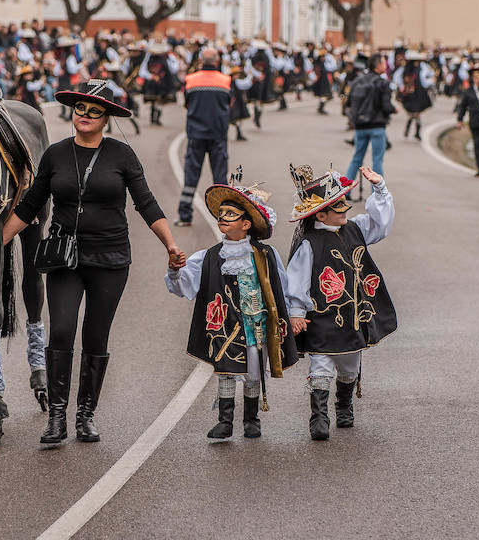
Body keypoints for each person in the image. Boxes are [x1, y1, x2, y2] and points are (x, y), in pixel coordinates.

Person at [1, 80, 185, 446]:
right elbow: (30, 205)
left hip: (110, 258)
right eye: (80, 109)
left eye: (94, 111)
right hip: (64, 258)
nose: (84, 116)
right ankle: (57, 418)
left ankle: (85, 415)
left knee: (95, 335)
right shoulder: (54, 154)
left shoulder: (122, 156)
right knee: (62, 331)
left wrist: (170, 244)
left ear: (106, 118)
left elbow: (145, 203)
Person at [165, 173, 298, 441]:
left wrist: (294, 314)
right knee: (225, 370)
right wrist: (176, 271)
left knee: (252, 370)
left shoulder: (265, 255)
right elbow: (184, 286)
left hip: (256, 323)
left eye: (230, 213)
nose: (222, 217)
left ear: (246, 223)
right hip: (225, 325)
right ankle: (225, 421)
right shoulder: (209, 256)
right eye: (221, 213)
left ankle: (251, 419)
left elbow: (282, 286)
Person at [285, 163, 397, 441]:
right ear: (321, 214)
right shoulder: (309, 242)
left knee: (348, 364)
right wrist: (296, 311)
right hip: (321, 315)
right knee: (321, 363)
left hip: (352, 314)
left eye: (346, 204)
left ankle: (344, 405)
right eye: (339, 207)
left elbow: (381, 226)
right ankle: (319, 415)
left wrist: (379, 187)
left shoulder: (355, 228)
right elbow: (296, 279)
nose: (346, 209)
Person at [175, 46, 232, 227]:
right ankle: (225, 217)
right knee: (220, 178)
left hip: (196, 134)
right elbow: (230, 104)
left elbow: (186, 103)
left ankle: (185, 215)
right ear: (216, 61)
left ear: (200, 61)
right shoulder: (226, 80)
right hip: (218, 134)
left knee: (191, 176)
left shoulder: (190, 80)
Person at [345, 52, 395, 188]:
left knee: (356, 158)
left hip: (360, 126)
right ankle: (377, 194)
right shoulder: (382, 83)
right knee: (377, 160)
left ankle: (345, 191)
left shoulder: (357, 81)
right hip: (377, 126)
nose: (385, 65)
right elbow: (386, 106)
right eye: (384, 63)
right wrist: (394, 109)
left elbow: (348, 103)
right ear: (378, 66)